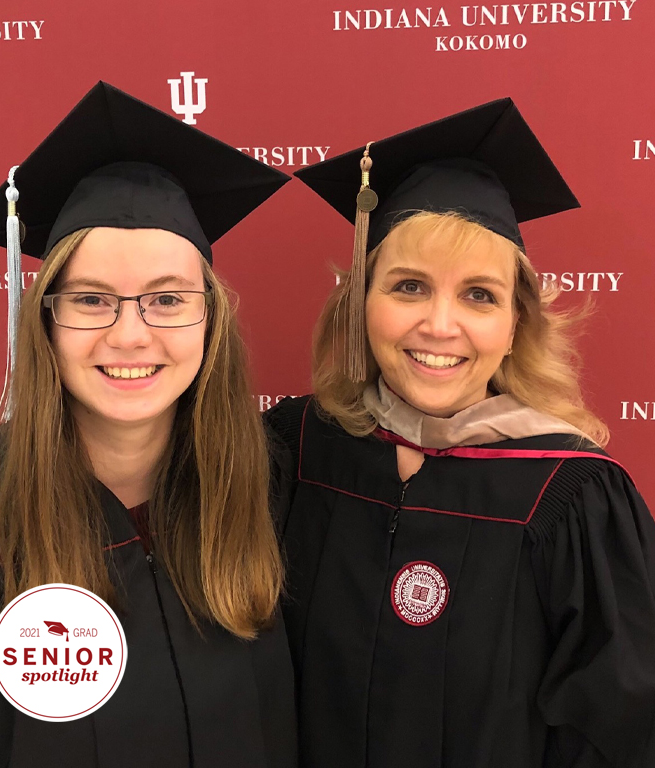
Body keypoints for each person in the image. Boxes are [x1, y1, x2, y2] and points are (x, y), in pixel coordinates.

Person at [0, 82, 297, 768]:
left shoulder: (268, 494)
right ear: (43, 319)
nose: (130, 335)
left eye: (167, 299)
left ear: (210, 320)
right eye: (92, 300)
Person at [265, 98, 655, 767]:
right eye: (409, 286)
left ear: (515, 325)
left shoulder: (572, 498)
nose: (440, 326)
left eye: (480, 295)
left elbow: (618, 738)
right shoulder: (297, 451)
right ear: (362, 303)